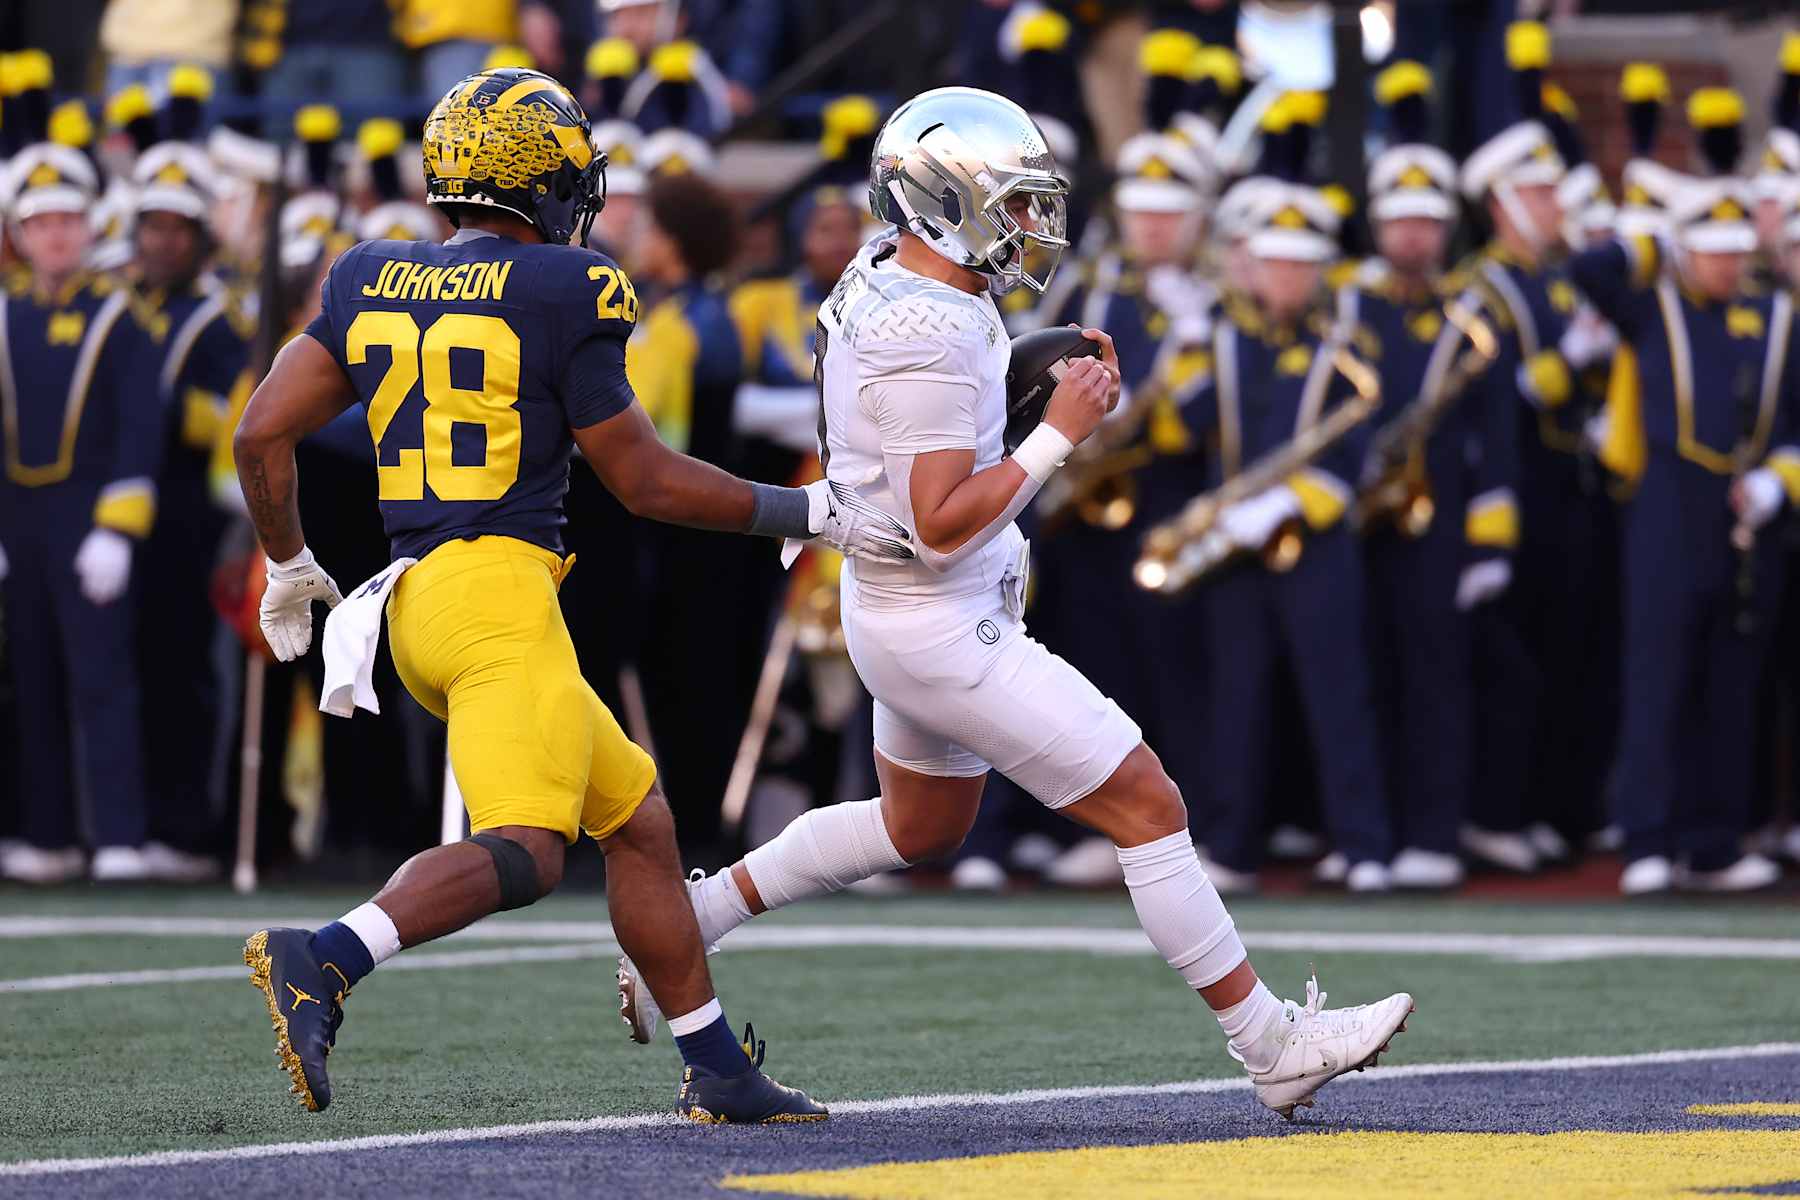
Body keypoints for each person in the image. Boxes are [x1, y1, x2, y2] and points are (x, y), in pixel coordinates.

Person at [620, 86, 1414, 1121]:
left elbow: (919, 424)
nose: (1037, 226)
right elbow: (941, 514)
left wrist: (1031, 364)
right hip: (940, 614)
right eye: (1020, 203)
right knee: (1149, 805)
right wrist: (1059, 432)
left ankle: (699, 913)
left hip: (907, 606)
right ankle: (1270, 1042)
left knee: (920, 825)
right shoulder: (928, 324)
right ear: (950, 197)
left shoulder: (893, 276)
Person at [231, 67, 912, 1122]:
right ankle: (326, 955)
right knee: (528, 853)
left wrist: (285, 561)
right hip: (498, 598)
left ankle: (717, 1065)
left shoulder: (367, 273)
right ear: (542, 182)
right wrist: (809, 512)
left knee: (639, 824)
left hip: (418, 601)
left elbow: (258, 431)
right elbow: (642, 479)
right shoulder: (566, 289)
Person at [1574, 91, 1796, 896]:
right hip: (1667, 507)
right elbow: (1587, 269)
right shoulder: (1651, 302)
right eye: (1712, 248)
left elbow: (1797, 427)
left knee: (1732, 683)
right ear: (1684, 248)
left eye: (1738, 249)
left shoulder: (1776, 317)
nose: (1729, 262)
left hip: (1746, 514)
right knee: (1657, 677)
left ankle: (1714, 843)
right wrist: (1651, 231)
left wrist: (1780, 480)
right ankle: (1646, 841)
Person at [1343, 61, 1518, 891]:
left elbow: (1500, 432)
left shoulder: (1471, 313)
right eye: (1400, 222)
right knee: (1359, 674)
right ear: (1379, 225)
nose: (1413, 237)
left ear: (1447, 229)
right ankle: (1364, 834)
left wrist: (1491, 537)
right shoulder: (1349, 305)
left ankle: (1433, 834)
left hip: (1441, 523)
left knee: (1436, 679)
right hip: (1352, 517)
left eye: (1427, 223)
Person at [0, 141, 162, 884]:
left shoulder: (119, 316)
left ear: (91, 227)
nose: (56, 234)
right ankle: (48, 835)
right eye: (41, 222)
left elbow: (139, 425)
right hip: (19, 521)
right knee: (29, 676)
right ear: (20, 234)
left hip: (91, 518)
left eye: (68, 219)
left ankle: (120, 836)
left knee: (102, 677)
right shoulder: (6, 316)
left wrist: (116, 530)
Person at [127, 112, 251, 881]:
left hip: (187, 518)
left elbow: (230, 416)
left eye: (181, 227)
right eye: (153, 225)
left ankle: (184, 823)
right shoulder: (116, 306)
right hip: (115, 520)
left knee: (182, 671)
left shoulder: (218, 322)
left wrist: (166, 406)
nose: (165, 241)